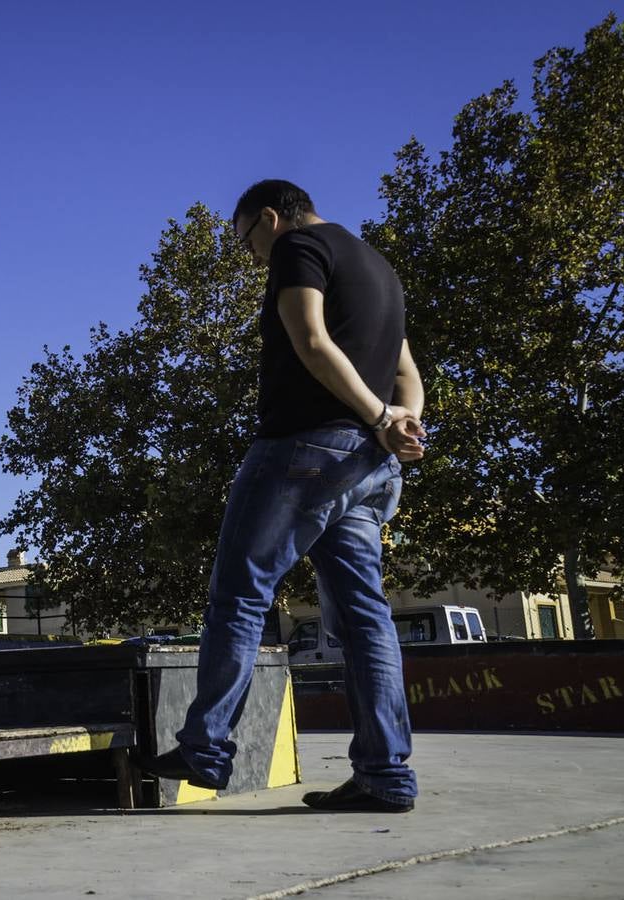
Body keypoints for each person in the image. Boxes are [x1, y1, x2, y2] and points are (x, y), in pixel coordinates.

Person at [140, 179, 426, 813]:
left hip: (303, 450)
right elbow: (409, 372)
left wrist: (381, 416)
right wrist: (401, 422)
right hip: (368, 465)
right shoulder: (380, 269)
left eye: (248, 241)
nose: (253, 257)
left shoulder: (301, 248)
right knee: (363, 618)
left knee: (241, 592)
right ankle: (386, 774)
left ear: (271, 217)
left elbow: (312, 340)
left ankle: (206, 748)